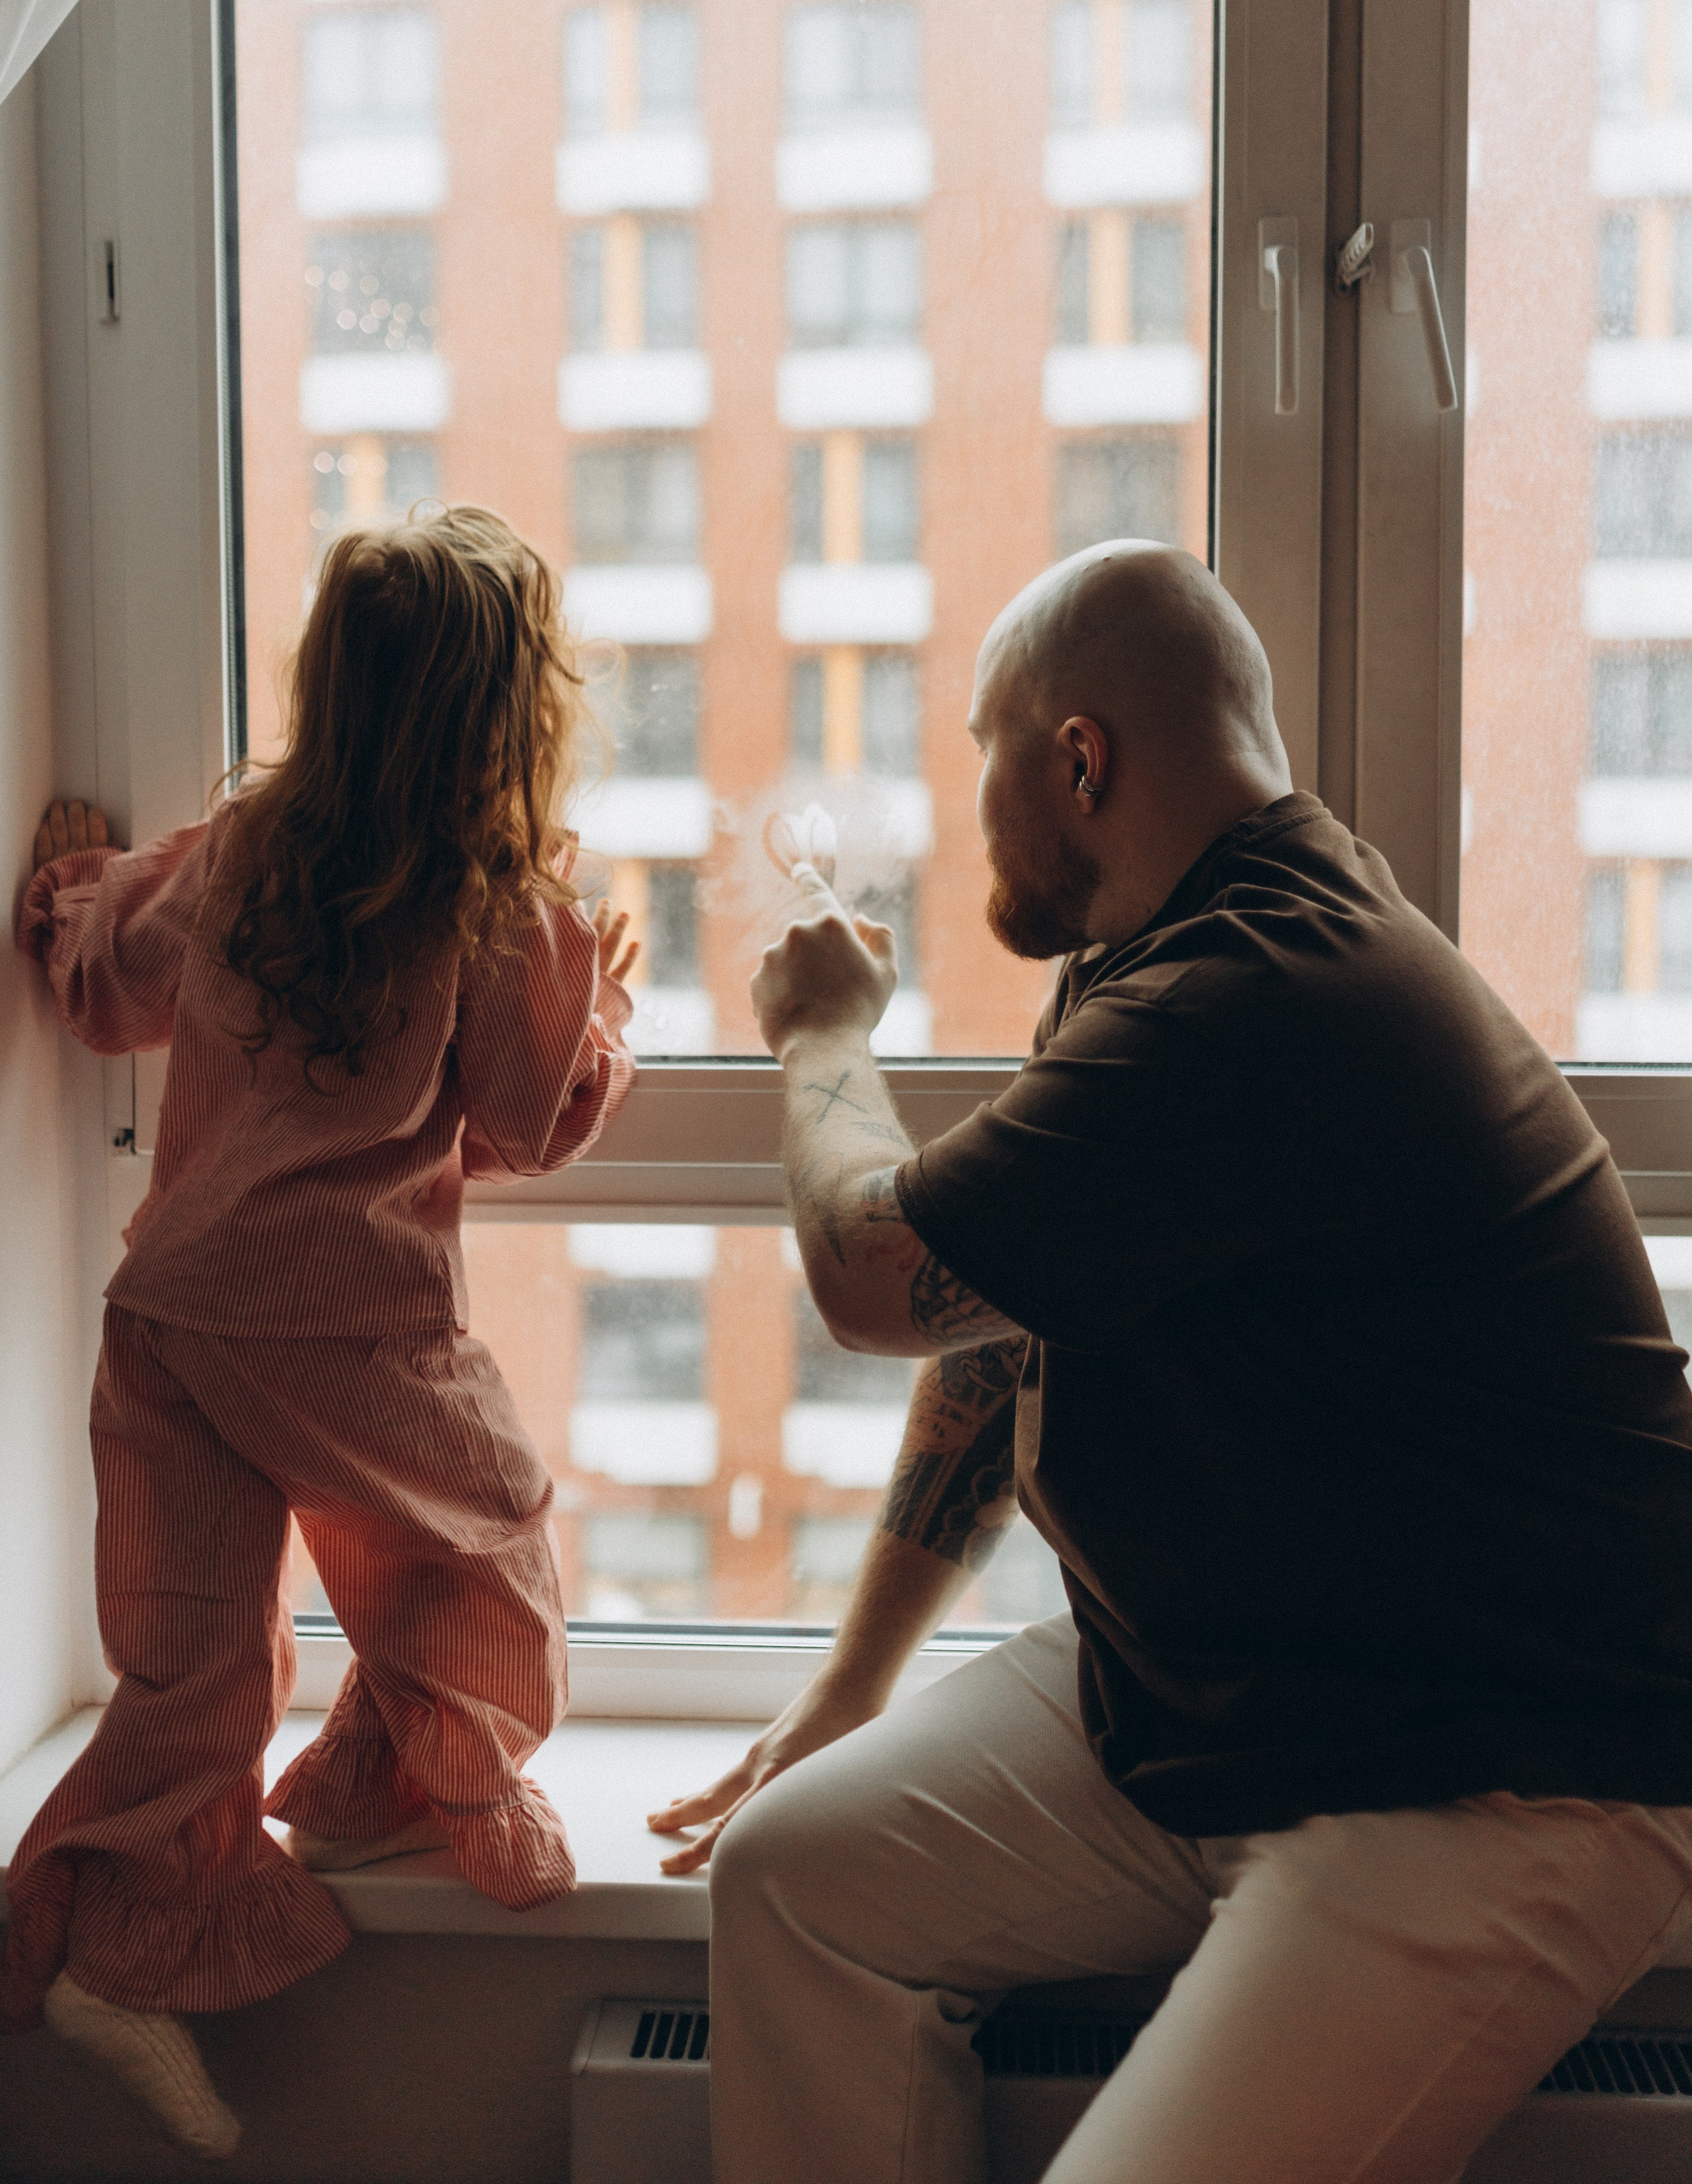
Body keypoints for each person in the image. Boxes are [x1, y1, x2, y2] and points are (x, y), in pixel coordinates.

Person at [651, 541, 1692, 2184]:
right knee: (795, 1885)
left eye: (982, 750)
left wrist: (824, 1036)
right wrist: (854, 1682)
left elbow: (873, 1274)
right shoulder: (1152, 960)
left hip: (1493, 1780)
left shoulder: (1260, 990)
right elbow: (1001, 1316)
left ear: (1078, 760)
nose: (968, 803)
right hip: (1228, 1704)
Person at [3, 508, 637, 2162]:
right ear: (513, 718)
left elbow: (108, 977)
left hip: (168, 1307)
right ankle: (398, 1770)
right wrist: (605, 1011)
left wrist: (66, 890)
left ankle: (121, 1964)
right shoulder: (498, 914)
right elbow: (521, 1114)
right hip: (339, 1318)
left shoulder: (239, 855)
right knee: (486, 1545)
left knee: (190, 1655)